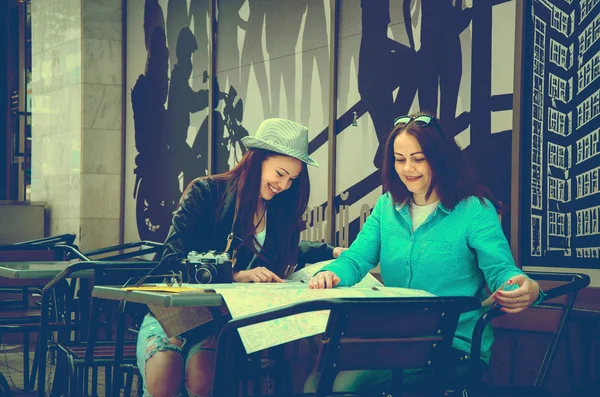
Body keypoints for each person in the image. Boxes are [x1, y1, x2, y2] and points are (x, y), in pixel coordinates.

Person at [308, 113, 543, 395]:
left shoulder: (473, 210)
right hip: (393, 341)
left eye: (418, 158)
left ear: (439, 157)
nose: (408, 168)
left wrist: (525, 285)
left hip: (453, 347)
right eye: (399, 158)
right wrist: (330, 274)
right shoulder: (386, 207)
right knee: (316, 382)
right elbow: (356, 258)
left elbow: (501, 270)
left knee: (346, 386)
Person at [137, 118, 345, 397]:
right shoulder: (206, 192)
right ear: (257, 159)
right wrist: (233, 275)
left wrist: (329, 251)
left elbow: (286, 249)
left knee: (202, 380)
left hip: (219, 321)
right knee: (163, 376)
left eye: (292, 179)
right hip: (174, 312)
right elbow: (171, 259)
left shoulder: (279, 210)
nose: (284, 185)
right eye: (280, 173)